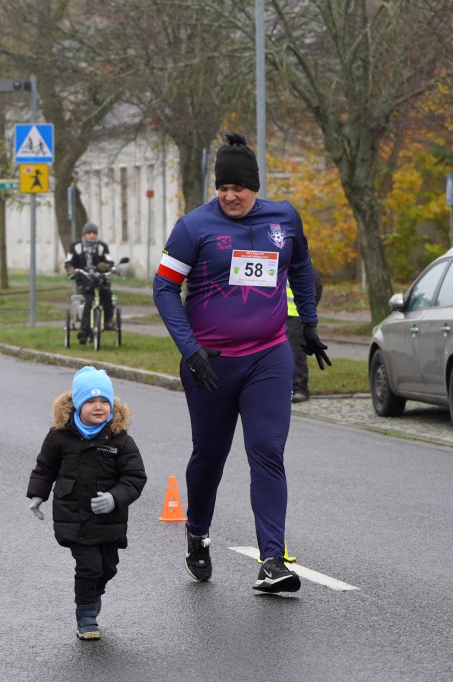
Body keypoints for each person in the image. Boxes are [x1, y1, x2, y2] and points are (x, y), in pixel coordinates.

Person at [152, 132, 330, 594]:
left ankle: (272, 560)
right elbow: (164, 288)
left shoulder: (284, 218)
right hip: (209, 364)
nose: (230, 195)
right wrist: (190, 349)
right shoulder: (193, 227)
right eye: (222, 187)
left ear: (255, 185)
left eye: (239, 187)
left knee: (267, 451)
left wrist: (308, 322)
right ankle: (197, 533)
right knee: (209, 457)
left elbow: (302, 266)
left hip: (269, 357)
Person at [27, 367, 146, 640]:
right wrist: (38, 494)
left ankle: (93, 594)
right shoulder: (59, 436)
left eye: (104, 401)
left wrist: (115, 497)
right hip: (74, 515)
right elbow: (45, 468)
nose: (98, 407)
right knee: (89, 566)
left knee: (108, 568)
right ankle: (86, 615)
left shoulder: (120, 440)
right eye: (91, 401)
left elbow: (135, 477)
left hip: (109, 520)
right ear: (78, 404)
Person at [65, 222, 116, 343]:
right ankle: (83, 331)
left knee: (107, 296)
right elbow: (68, 262)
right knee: (89, 300)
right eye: (89, 233)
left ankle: (108, 320)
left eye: (94, 233)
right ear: (84, 235)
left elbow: (110, 261)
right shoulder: (76, 246)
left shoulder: (102, 246)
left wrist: (106, 266)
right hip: (84, 279)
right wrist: (70, 269)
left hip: (100, 278)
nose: (91, 236)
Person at [287, 265, 324, 403]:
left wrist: (308, 310)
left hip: (296, 315)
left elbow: (316, 287)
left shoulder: (301, 260)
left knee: (296, 353)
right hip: (281, 313)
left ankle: (300, 389)